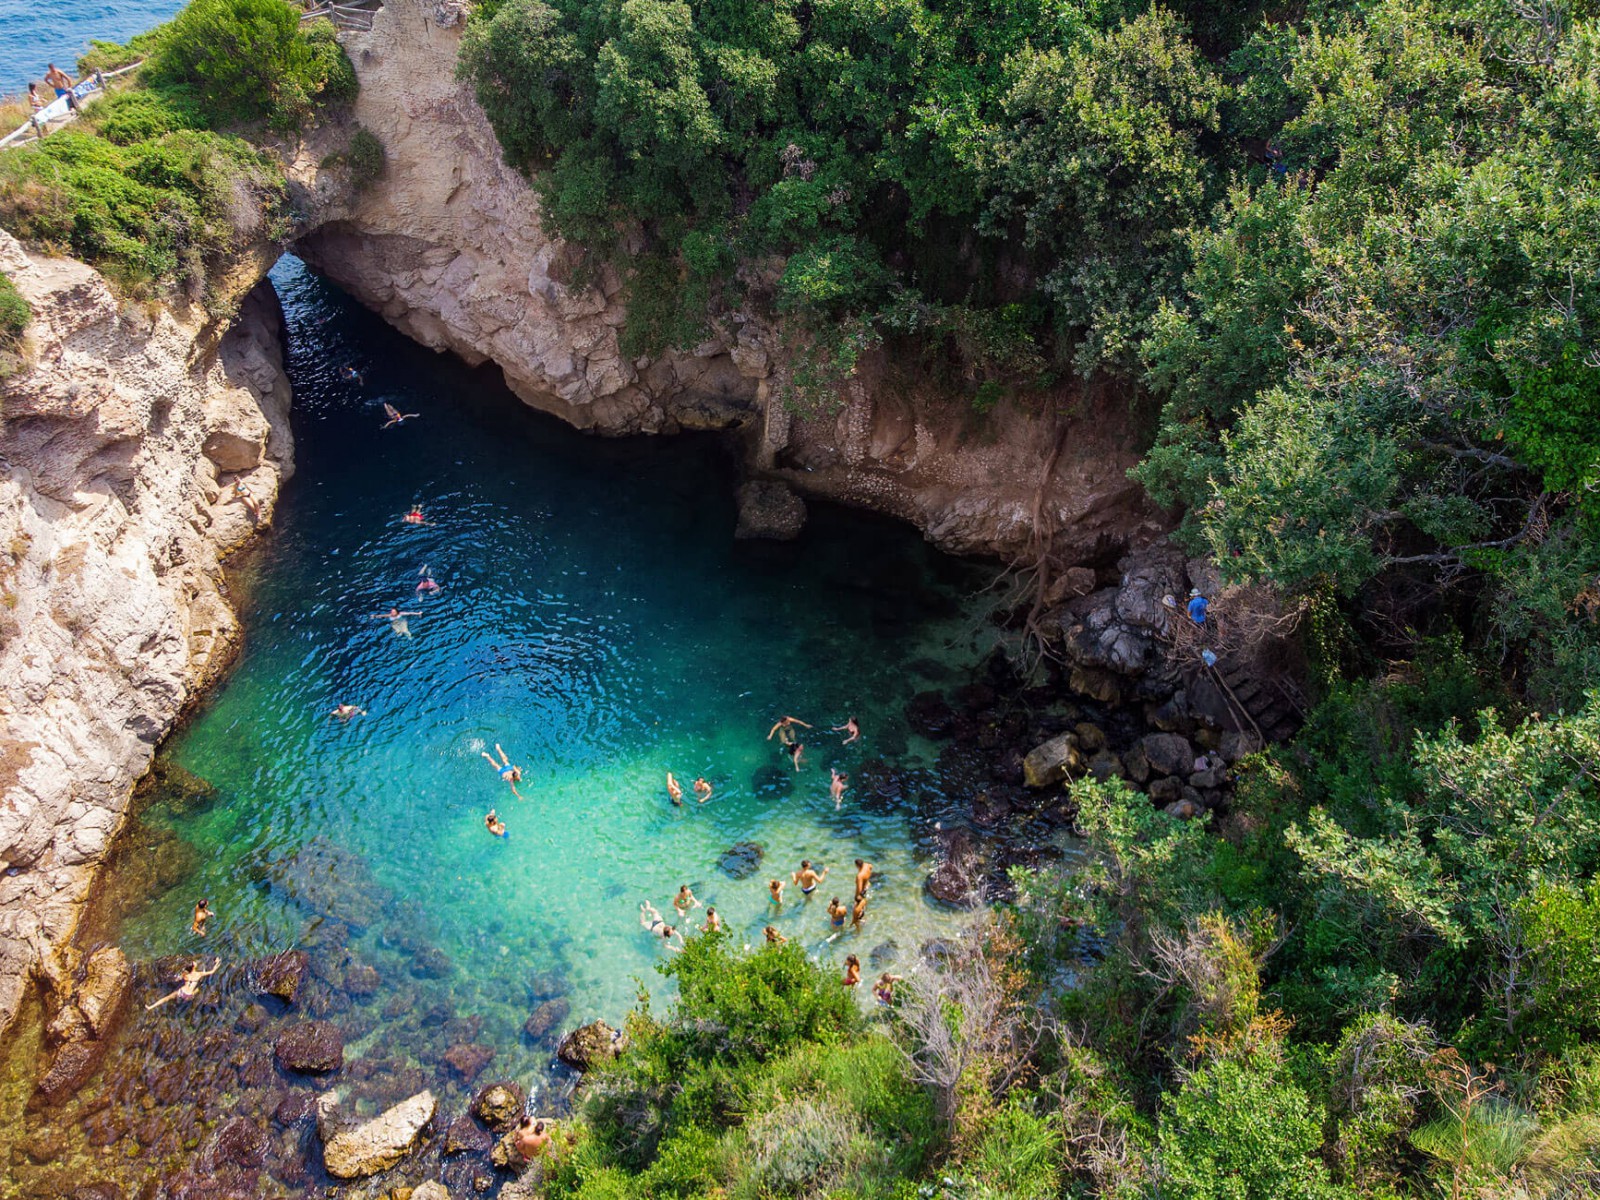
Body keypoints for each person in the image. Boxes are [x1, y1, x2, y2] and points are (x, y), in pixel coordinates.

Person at [145, 958, 221, 1010]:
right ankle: (189, 1003)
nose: (195, 963)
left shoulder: (185, 975)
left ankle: (151, 1007)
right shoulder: (199, 974)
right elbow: (212, 971)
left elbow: (178, 978)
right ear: (194, 967)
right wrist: (217, 962)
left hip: (181, 992)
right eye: (194, 964)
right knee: (198, 989)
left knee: (166, 998)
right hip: (190, 996)